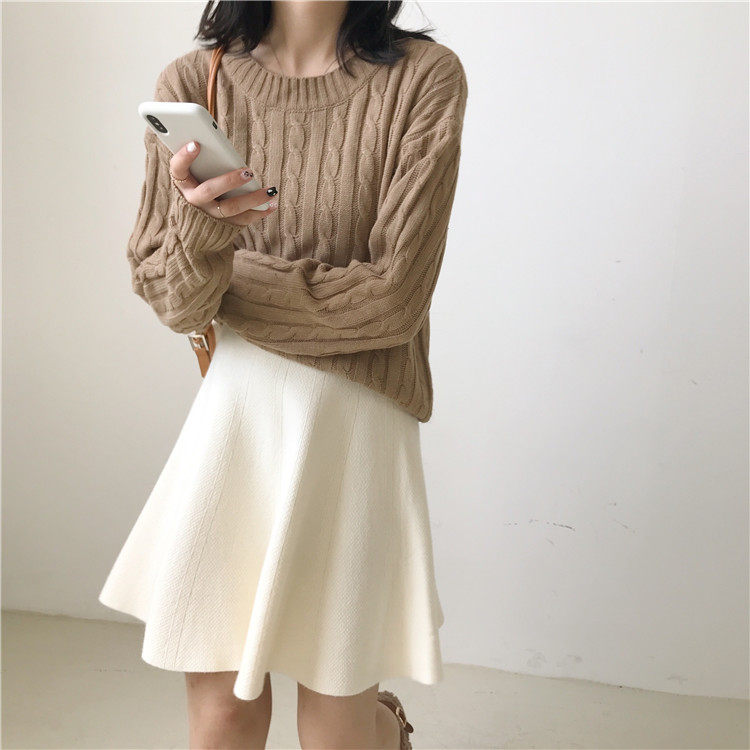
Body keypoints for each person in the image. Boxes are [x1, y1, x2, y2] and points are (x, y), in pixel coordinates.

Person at [98, 1, 468, 747]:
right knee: (222, 710)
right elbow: (173, 298)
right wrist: (203, 231)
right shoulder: (194, 84)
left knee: (334, 720)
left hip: (357, 419)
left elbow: (393, 303)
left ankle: (384, 730)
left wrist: (228, 274)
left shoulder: (425, 77)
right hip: (238, 418)